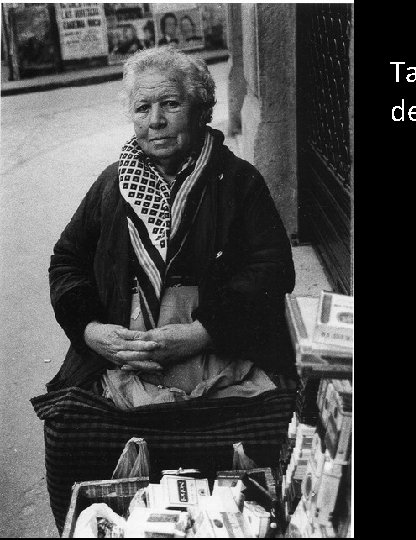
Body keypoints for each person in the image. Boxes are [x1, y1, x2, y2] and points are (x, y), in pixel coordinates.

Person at [37, 46, 297, 532]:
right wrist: (93, 329)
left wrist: (204, 333)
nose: (155, 121)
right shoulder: (112, 185)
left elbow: (272, 270)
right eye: (142, 107)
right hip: (125, 361)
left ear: (202, 110)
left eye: (170, 105)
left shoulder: (238, 181)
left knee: (265, 438)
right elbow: (67, 263)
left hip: (221, 356)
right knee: (71, 439)